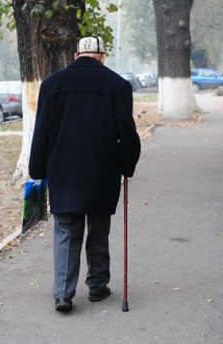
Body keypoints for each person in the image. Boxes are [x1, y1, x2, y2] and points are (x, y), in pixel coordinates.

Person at [29, 36, 141, 312]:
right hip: (102, 170)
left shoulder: (52, 85)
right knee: (99, 227)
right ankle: (97, 286)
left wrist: (37, 169)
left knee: (66, 229)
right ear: (101, 56)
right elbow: (126, 131)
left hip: (62, 170)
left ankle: (63, 294)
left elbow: (41, 129)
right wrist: (128, 164)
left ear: (76, 55)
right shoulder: (118, 85)